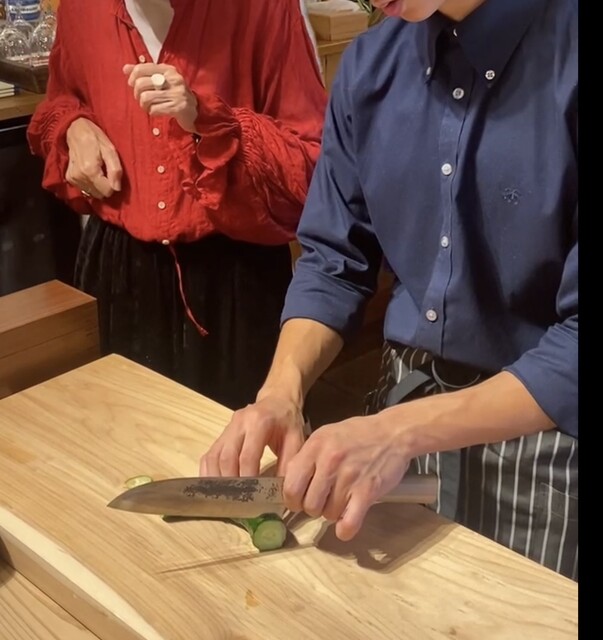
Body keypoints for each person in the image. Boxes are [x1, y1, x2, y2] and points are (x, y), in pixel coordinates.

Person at [199, 0, 579, 581]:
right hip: (397, 413)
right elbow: (334, 259)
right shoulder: (370, 64)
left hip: (548, 440)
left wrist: (399, 432)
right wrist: (281, 392)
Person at [27, 0, 326, 409]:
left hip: (235, 276)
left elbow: (311, 167)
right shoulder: (82, 8)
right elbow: (61, 98)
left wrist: (207, 121)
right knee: (119, 435)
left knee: (235, 442)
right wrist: (72, 127)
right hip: (118, 270)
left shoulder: (264, 8)